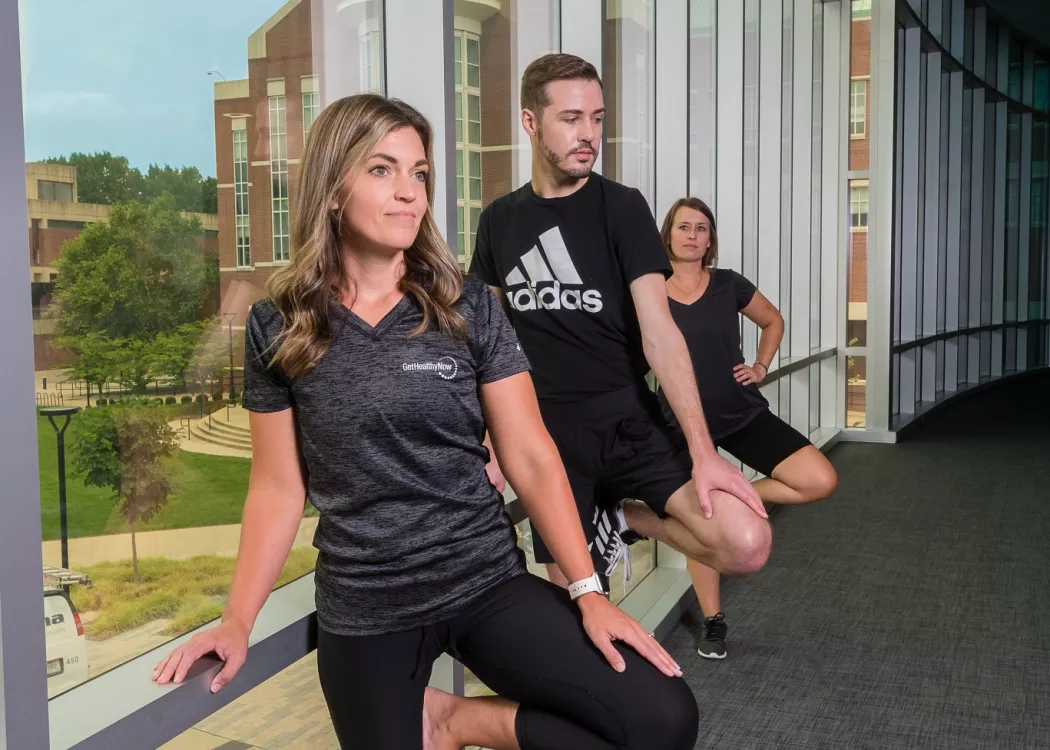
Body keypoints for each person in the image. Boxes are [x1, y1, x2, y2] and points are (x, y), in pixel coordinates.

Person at [151, 94, 699, 750]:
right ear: (332, 189)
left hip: (483, 579)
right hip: (367, 604)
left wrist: (588, 591)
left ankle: (458, 720)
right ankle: (431, 723)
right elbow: (275, 486)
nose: (409, 191)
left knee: (662, 719)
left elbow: (530, 454)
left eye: (418, 174)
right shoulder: (281, 323)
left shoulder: (467, 306)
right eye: (382, 170)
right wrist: (236, 620)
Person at [470, 53, 772, 596]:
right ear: (530, 121)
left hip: (629, 422)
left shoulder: (623, 207)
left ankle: (625, 519)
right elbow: (490, 344)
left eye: (598, 118)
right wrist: (493, 439)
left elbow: (661, 333)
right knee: (578, 608)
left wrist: (705, 455)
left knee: (746, 542)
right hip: (547, 439)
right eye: (571, 118)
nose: (589, 134)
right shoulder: (497, 220)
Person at [658, 197, 839, 659]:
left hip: (741, 412)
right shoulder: (650, 290)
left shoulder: (727, 284)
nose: (692, 235)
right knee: (707, 522)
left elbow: (773, 319)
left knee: (820, 479)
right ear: (669, 234)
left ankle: (739, 495)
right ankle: (714, 621)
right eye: (684, 227)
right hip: (680, 424)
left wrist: (760, 365)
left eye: (701, 228)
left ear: (709, 239)